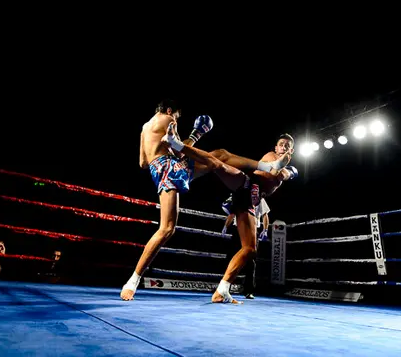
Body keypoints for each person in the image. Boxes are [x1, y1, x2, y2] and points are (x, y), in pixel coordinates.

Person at [121, 99, 292, 300]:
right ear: (170, 110)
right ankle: (132, 281)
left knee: (218, 157)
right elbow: (177, 151)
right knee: (216, 161)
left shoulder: (144, 128)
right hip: (171, 168)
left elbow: (142, 162)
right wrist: (195, 135)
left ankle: (132, 282)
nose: (176, 119)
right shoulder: (168, 118)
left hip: (159, 170)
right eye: (177, 115)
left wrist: (170, 150)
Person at [212, 134, 298, 304]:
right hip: (247, 185)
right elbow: (274, 171)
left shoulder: (285, 169)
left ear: (292, 151)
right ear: (276, 148)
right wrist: (282, 165)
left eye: (288, 146)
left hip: (251, 200)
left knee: (250, 249)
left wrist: (286, 170)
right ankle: (184, 155)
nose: (284, 147)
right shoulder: (270, 156)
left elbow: (281, 175)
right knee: (220, 159)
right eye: (281, 144)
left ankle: (221, 290)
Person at [222, 207, 270, 299]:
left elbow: (265, 214)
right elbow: (232, 213)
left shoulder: (259, 198)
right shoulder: (240, 197)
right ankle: (224, 288)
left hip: (253, 230)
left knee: (250, 261)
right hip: (238, 230)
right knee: (232, 259)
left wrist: (266, 229)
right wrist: (226, 226)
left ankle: (248, 290)